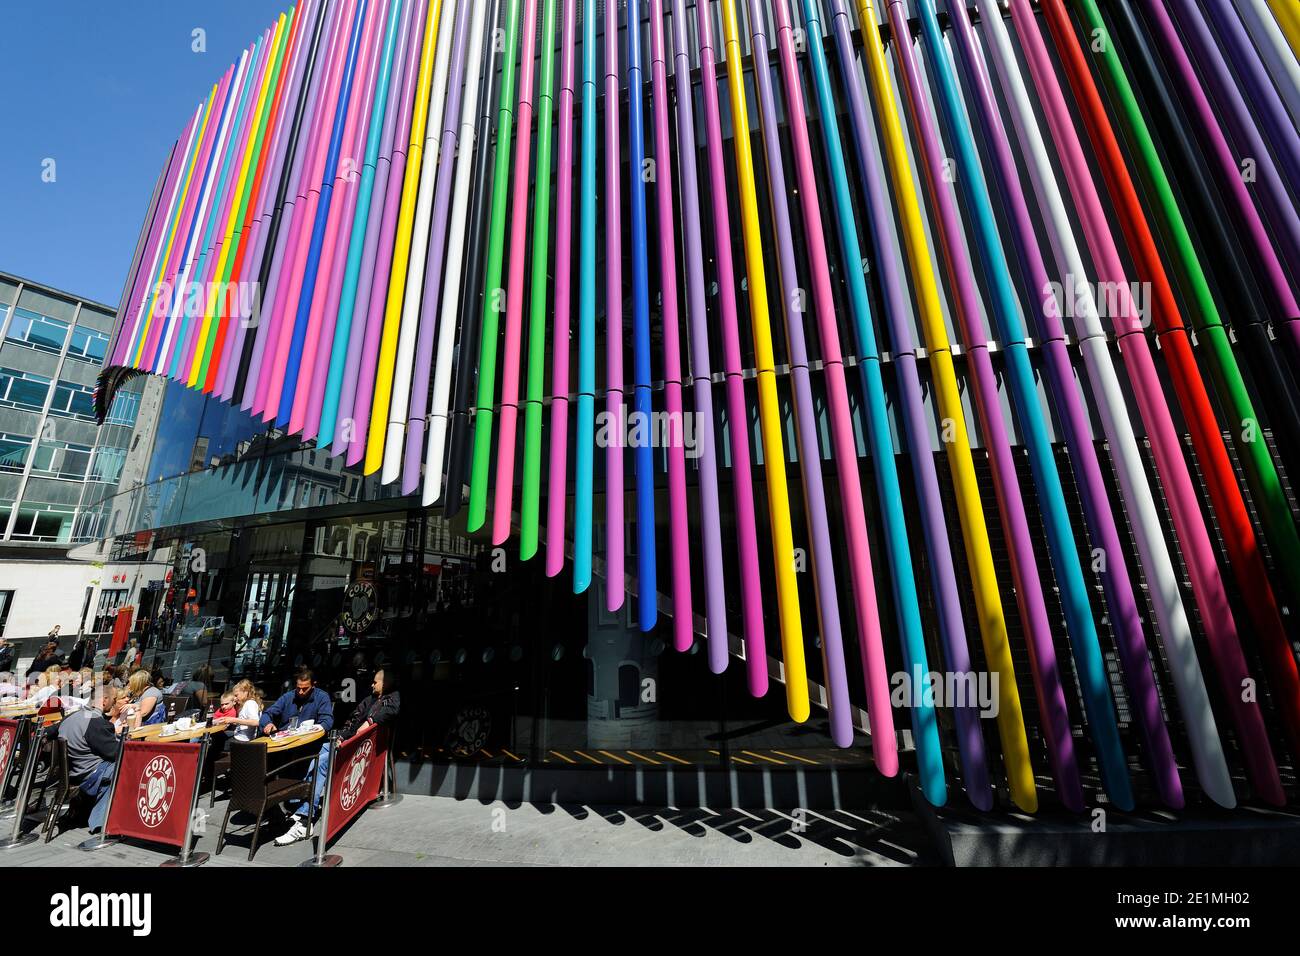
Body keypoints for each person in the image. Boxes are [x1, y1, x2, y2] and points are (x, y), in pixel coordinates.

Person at [263, 669, 334, 846]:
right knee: (264, 763)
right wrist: (268, 723)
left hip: (312, 744)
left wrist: (315, 729)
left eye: (305, 688)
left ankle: (303, 817)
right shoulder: (288, 697)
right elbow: (267, 714)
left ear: (313, 686)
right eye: (298, 688)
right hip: (286, 745)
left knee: (319, 763)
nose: (301, 692)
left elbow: (327, 721)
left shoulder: (321, 697)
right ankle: (273, 810)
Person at [58, 685, 121, 833]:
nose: (115, 703)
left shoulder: (71, 717)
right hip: (90, 774)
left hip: (73, 772)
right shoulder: (95, 722)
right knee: (125, 766)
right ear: (104, 700)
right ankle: (100, 822)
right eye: (114, 699)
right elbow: (115, 753)